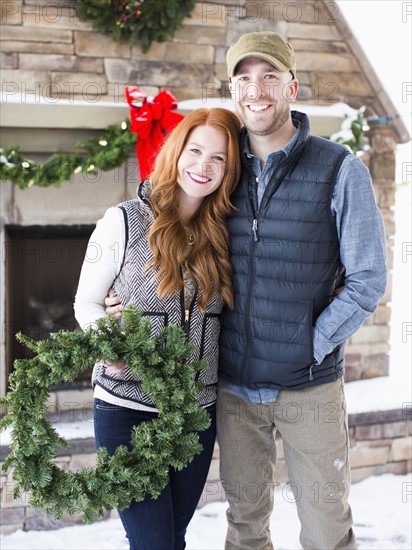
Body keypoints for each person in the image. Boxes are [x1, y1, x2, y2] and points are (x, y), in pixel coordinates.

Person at [106, 32, 388, 549]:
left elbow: (368, 278)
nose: (256, 90)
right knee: (245, 526)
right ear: (233, 90)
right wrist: (118, 295)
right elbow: (167, 229)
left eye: (269, 77)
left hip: (311, 386)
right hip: (234, 387)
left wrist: (312, 341)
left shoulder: (338, 168)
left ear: (292, 88)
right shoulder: (218, 168)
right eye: (244, 79)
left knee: (327, 531)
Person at [74, 107, 241, 550]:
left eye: (219, 159)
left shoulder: (224, 234)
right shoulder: (124, 220)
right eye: (196, 150)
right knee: (154, 545)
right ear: (175, 151)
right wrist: (107, 340)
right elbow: (86, 302)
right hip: (126, 409)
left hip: (195, 414)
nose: (204, 166)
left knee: (172, 539)